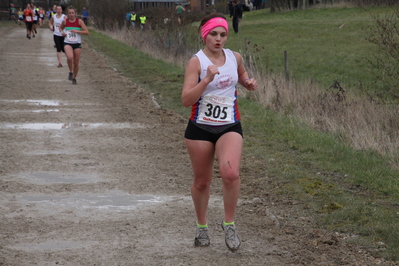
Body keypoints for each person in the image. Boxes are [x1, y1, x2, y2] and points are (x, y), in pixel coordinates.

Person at [181, 13, 257, 252]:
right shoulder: (197, 62)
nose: (218, 39)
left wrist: (246, 83)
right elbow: (186, 99)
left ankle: (229, 224)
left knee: (231, 173)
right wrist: (206, 80)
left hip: (229, 125)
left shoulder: (235, 57)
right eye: (213, 34)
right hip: (200, 127)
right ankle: (201, 226)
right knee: (202, 182)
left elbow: (241, 74)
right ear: (205, 34)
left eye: (223, 34)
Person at [60, 6, 89, 85]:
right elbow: (60, 28)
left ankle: (74, 77)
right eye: (70, 13)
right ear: (67, 14)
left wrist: (77, 31)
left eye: (72, 13)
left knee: (76, 63)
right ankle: (70, 71)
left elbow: (87, 32)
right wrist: (62, 32)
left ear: (75, 14)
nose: (71, 14)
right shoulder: (65, 21)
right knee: (70, 57)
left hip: (77, 43)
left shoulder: (79, 21)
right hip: (67, 42)